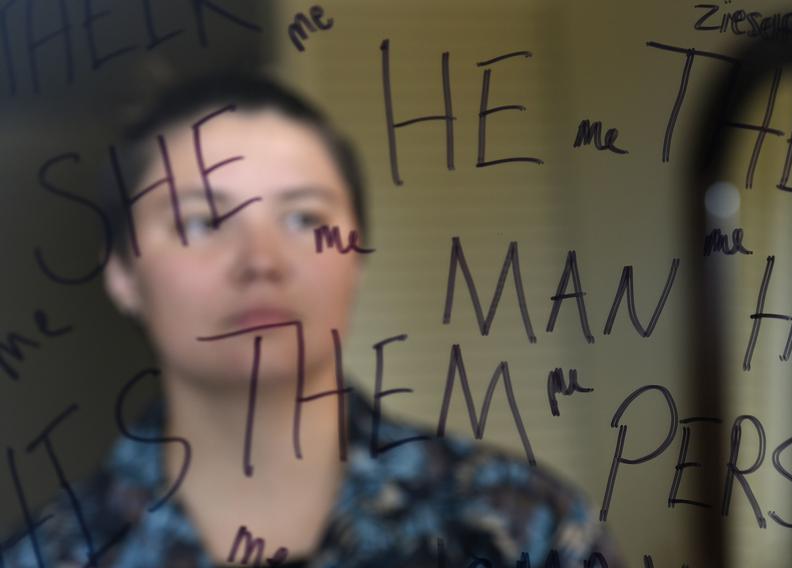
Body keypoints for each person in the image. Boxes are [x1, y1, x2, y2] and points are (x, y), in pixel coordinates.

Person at [4, 75, 621, 568]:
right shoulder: (49, 556)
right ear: (121, 274)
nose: (261, 261)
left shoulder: (522, 526)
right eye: (200, 223)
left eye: (302, 219)